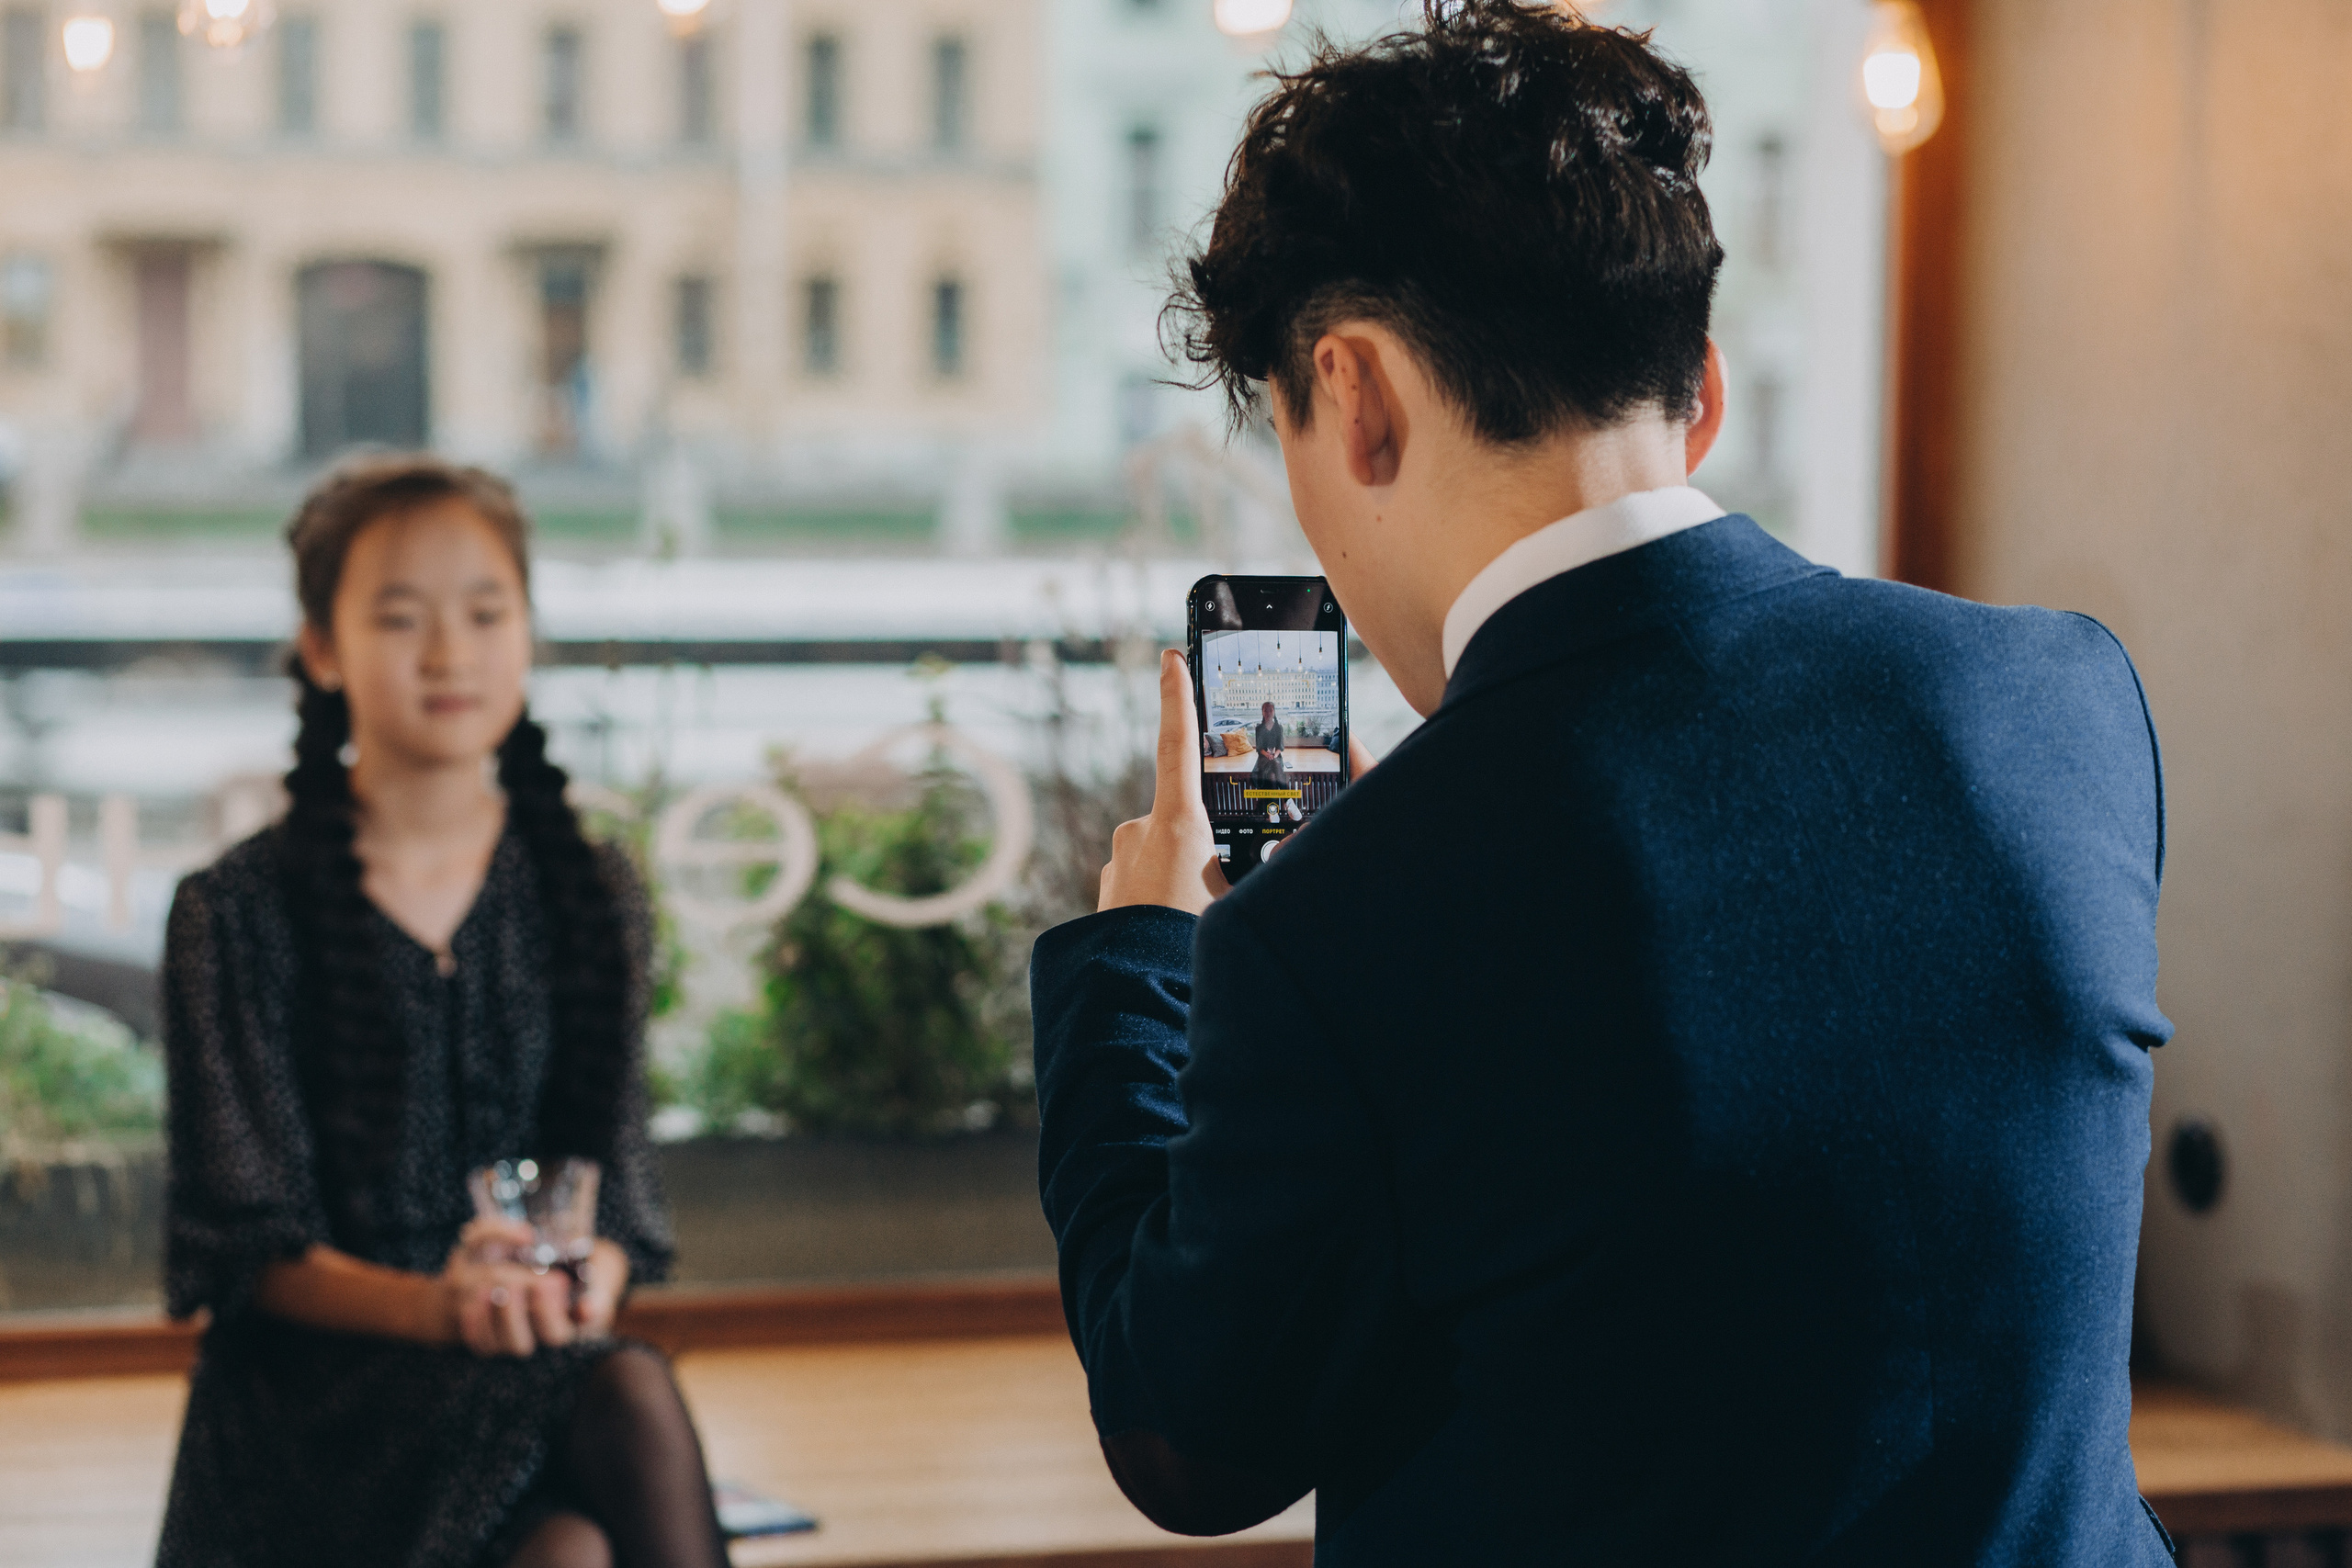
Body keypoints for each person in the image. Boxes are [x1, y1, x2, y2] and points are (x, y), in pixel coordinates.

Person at [1029, 5, 2173, 1564]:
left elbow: (1191, 1437)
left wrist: (1139, 968)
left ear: (1354, 395)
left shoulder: (1348, 917)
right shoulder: (2066, 695)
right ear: (1697, 390)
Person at [157, 456, 729, 1568]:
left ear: (527, 631)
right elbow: (242, 1252)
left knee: (572, 1543)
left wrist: (575, 1282)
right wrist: (444, 1307)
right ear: (323, 649)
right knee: (622, 1399)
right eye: (400, 617)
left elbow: (617, 1198)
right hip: (315, 1418)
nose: (450, 653)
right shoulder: (232, 910)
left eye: (485, 611)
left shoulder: (591, 891)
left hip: (525, 1375)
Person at [1249, 700, 1295, 823]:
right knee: (1273, 769)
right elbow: (1259, 748)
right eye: (1266, 710)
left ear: (1274, 712)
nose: (1268, 712)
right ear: (1262, 712)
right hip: (1263, 759)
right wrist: (1267, 755)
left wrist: (1275, 754)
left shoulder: (1278, 727)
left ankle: (1273, 812)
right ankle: (1288, 801)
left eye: (1270, 710)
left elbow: (1280, 746)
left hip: (1276, 757)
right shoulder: (1259, 728)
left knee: (1273, 775)